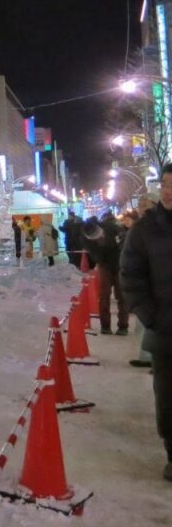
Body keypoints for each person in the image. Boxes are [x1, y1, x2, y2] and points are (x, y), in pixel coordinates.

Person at [121, 163, 172, 481]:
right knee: (168, 398)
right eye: (165, 184)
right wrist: (150, 316)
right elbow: (131, 274)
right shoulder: (145, 229)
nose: (168, 191)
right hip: (166, 331)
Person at [84, 216, 128, 335]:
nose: (100, 237)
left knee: (122, 295)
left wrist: (120, 244)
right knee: (104, 295)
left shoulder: (110, 227)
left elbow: (125, 238)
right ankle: (105, 326)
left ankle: (123, 326)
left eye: (100, 235)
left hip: (120, 264)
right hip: (104, 266)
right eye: (97, 238)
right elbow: (95, 256)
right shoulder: (87, 240)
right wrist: (102, 249)